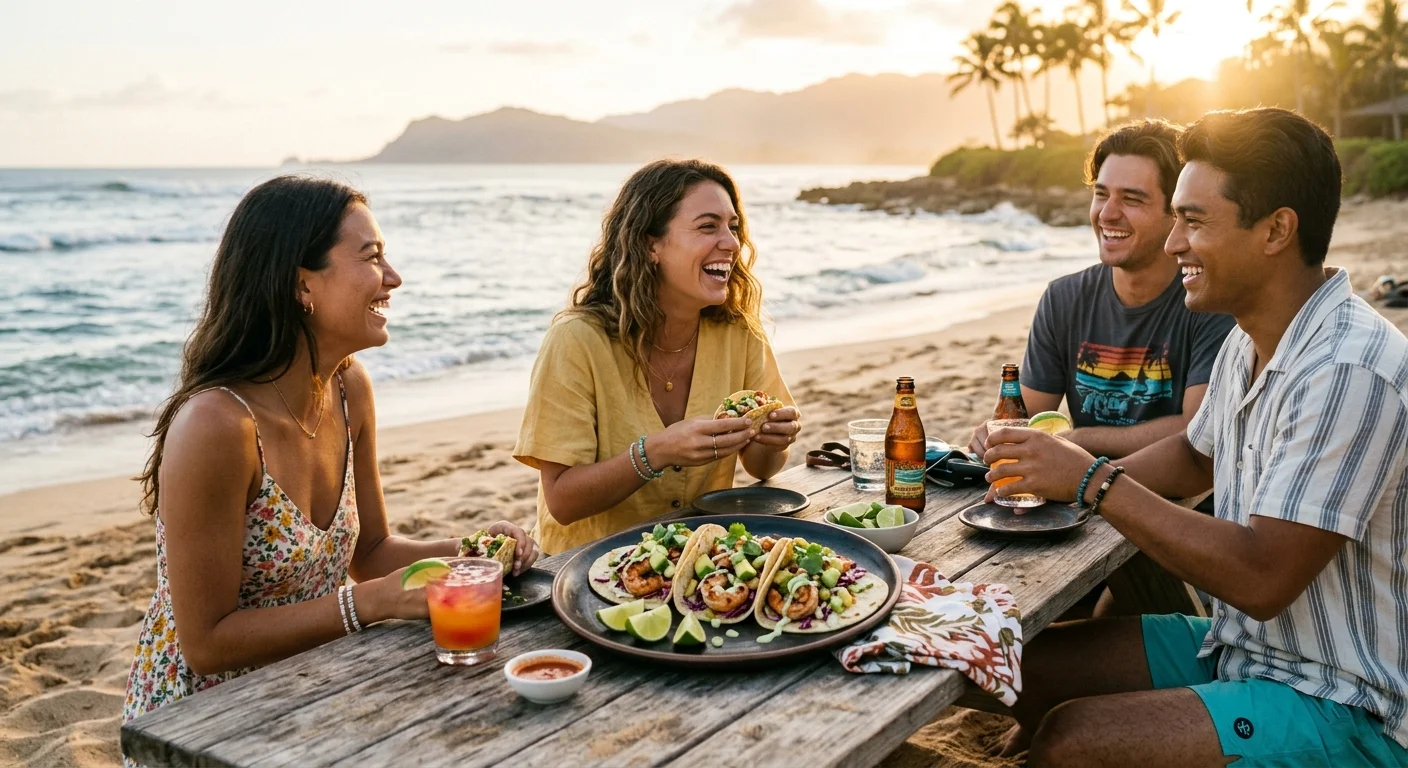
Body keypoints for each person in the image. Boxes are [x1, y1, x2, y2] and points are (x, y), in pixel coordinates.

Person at [984, 108, 1408, 766]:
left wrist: (1092, 482)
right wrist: (1059, 473)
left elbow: (1262, 575)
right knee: (1015, 663)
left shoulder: (1348, 369)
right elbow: (1191, 455)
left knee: (1074, 743)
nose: (1174, 241)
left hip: (1345, 699)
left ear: (1276, 230)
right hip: (1243, 643)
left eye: (1195, 220)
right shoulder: (1250, 337)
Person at [122, 176, 539, 723]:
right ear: (302, 286)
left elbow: (370, 553)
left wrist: (475, 551)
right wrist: (370, 604)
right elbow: (206, 643)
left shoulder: (349, 388)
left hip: (310, 689)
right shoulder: (216, 426)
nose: (393, 277)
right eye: (372, 257)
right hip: (200, 719)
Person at [515, 159, 802, 555]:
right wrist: (656, 453)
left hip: (701, 559)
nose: (732, 243)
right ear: (651, 245)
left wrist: (772, 439)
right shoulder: (577, 340)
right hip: (583, 566)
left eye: (733, 227)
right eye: (707, 226)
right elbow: (563, 502)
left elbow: (763, 468)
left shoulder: (740, 334)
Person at [969, 120, 1236, 461]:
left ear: (1176, 213)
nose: (1107, 214)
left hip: (1177, 502)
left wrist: (1077, 439)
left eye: (1132, 199)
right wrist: (994, 433)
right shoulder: (1063, 299)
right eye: (1101, 194)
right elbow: (1026, 420)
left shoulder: (1208, 301)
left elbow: (1196, 429)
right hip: (1077, 500)